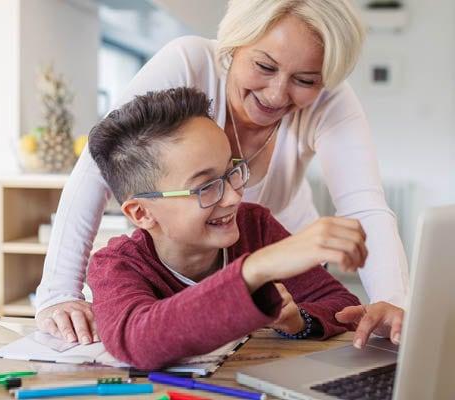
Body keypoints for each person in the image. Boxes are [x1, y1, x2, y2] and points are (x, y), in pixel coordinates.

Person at [35, 0, 409, 350]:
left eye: (306, 80)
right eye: (264, 67)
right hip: (196, 257)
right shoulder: (190, 61)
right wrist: (59, 293)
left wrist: (392, 302)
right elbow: (99, 165)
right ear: (234, 45)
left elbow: (365, 206)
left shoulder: (263, 219)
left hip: (279, 249)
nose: (278, 95)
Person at [86, 87, 363, 369]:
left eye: (231, 173)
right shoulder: (116, 265)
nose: (233, 197)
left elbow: (342, 305)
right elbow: (138, 341)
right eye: (206, 187)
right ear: (141, 212)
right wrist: (255, 269)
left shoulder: (254, 225)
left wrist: (299, 320)